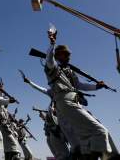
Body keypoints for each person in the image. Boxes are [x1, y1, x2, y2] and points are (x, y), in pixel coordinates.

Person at [45, 31, 117, 159]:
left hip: (73, 103)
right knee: (100, 131)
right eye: (66, 55)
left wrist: (96, 87)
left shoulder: (70, 72)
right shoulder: (53, 68)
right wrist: (52, 44)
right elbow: (49, 60)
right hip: (66, 103)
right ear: (59, 55)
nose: (69, 57)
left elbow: (80, 86)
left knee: (84, 140)